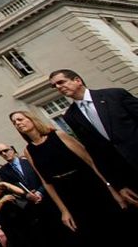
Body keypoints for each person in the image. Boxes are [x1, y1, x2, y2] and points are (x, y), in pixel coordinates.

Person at [11, 109, 133, 245]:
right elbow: (46, 182)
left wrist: (111, 189)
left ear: (31, 119)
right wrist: (64, 210)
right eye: (14, 123)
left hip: (91, 186)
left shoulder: (58, 135)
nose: (18, 123)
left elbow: (90, 162)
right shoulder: (28, 150)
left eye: (20, 119)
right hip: (68, 195)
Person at [49, 68, 138, 204]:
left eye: (61, 82)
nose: (58, 87)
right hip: (129, 176)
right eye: (55, 86)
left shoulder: (115, 95)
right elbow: (96, 152)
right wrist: (119, 185)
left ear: (77, 80)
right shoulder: (71, 116)